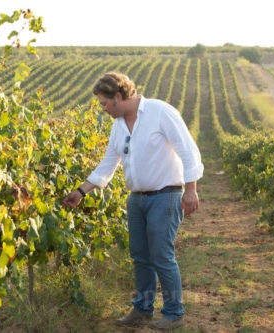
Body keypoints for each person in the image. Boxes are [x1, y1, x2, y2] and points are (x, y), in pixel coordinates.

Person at [62, 72, 204, 330]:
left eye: (105, 103)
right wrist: (81, 192)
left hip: (166, 195)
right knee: (140, 256)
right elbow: (108, 163)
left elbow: (188, 150)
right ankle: (143, 309)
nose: (103, 108)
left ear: (118, 96)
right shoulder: (118, 125)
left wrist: (191, 190)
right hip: (136, 200)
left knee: (161, 255)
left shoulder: (160, 112)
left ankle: (174, 313)